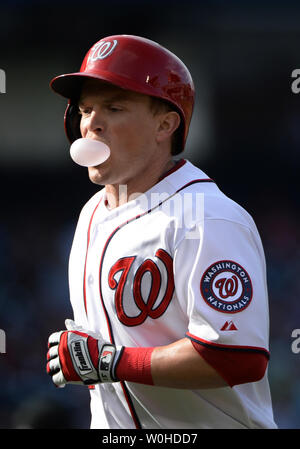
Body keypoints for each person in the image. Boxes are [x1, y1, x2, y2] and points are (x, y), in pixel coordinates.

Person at [46, 34, 277, 429]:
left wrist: (110, 362)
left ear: (165, 124)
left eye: (114, 108)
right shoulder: (91, 214)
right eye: (85, 109)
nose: (92, 124)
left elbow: (236, 357)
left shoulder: (207, 217)